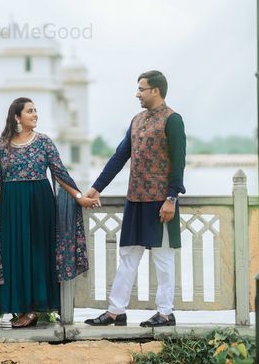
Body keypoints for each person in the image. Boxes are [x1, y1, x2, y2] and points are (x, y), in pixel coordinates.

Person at [0, 97, 95, 329]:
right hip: (11, 206)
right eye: (30, 111)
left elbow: (60, 173)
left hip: (39, 206)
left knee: (36, 255)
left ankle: (32, 309)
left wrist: (80, 197)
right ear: (17, 117)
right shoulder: (1, 145)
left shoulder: (44, 142)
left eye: (36, 110)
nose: (35, 114)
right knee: (4, 255)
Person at [84, 70, 185, 328]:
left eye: (141, 89)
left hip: (161, 202)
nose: (137, 93)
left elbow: (179, 163)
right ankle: (115, 311)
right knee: (128, 254)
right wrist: (97, 188)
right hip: (135, 198)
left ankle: (165, 313)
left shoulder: (173, 120)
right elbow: (120, 156)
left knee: (163, 257)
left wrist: (171, 198)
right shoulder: (137, 120)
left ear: (156, 90)